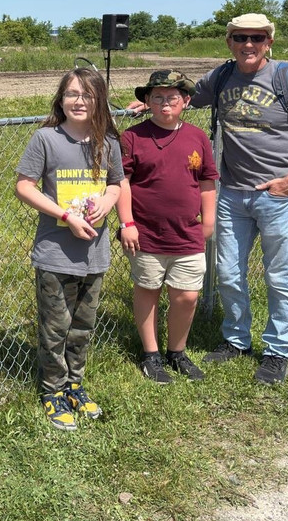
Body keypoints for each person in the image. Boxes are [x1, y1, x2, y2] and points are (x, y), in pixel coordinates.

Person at [130, 14, 288, 384]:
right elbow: (182, 98)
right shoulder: (221, 77)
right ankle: (237, 340)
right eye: (240, 37)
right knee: (229, 273)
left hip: (278, 195)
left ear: (269, 42)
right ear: (229, 42)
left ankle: (276, 351)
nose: (248, 44)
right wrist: (151, 103)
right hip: (232, 193)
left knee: (280, 275)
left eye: (257, 38)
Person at [16, 67, 123, 430]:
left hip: (95, 254)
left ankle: (75, 384)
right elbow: (25, 186)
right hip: (56, 253)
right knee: (55, 327)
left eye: (88, 95)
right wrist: (65, 214)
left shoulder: (107, 143)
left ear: (99, 102)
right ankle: (52, 390)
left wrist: (108, 203)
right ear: (61, 100)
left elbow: (116, 184)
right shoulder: (46, 139)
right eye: (72, 94)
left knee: (82, 327)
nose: (79, 101)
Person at [118, 70, 218, 384]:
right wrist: (127, 223)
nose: (165, 104)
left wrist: (209, 220)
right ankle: (151, 355)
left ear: (185, 102)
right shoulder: (133, 137)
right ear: (146, 101)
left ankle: (177, 352)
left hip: (187, 231)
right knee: (148, 289)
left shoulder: (197, 137)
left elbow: (207, 181)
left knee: (186, 295)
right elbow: (122, 183)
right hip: (145, 233)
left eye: (172, 98)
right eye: (157, 97)